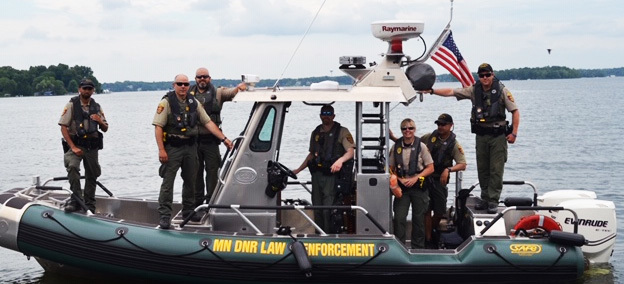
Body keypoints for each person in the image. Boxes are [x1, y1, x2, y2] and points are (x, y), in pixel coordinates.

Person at [425, 63, 520, 213]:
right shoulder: (473, 91)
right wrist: (431, 91)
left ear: (492, 75)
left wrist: (514, 133)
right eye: (481, 75)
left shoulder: (502, 91)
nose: (485, 78)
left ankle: (493, 200)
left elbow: (515, 111)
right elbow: (451, 91)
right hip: (481, 136)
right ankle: (485, 198)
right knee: (482, 168)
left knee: (496, 169)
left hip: (497, 137)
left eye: (487, 75)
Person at [152, 74, 233, 229]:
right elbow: (158, 127)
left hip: (190, 147)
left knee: (191, 181)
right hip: (173, 148)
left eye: (185, 84)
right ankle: (164, 215)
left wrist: (224, 139)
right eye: (179, 84)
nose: (183, 87)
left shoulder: (193, 102)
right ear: (173, 85)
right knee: (168, 182)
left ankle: (189, 210)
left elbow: (208, 122)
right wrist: (161, 150)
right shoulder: (166, 103)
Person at [293, 105, 355, 233]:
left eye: (329, 113)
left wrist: (340, 161)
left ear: (333, 116)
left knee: (328, 207)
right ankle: (319, 234)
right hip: (316, 175)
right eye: (324, 113)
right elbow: (311, 154)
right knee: (317, 205)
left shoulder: (342, 131)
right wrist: (298, 170)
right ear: (320, 115)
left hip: (331, 176)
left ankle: (329, 235)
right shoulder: (315, 132)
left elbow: (351, 151)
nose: (326, 116)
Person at [190, 67, 246, 207]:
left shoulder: (218, 93)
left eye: (205, 76)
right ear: (195, 79)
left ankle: (211, 201)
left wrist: (240, 87)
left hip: (211, 141)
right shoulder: (188, 94)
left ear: (210, 78)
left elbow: (232, 93)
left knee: (213, 171)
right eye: (199, 77)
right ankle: (197, 202)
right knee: (195, 173)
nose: (202, 79)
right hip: (193, 141)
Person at [59, 79, 108, 213]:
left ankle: (89, 204)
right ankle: (76, 199)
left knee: (92, 174)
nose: (87, 91)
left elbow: (105, 128)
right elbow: (63, 127)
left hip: (92, 147)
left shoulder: (96, 107)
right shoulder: (72, 105)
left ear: (93, 90)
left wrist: (100, 121)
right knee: (73, 167)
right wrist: (73, 147)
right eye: (84, 88)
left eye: (89, 89)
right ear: (79, 89)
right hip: (76, 145)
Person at [421, 113, 466, 247]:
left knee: (440, 210)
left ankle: (432, 230)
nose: (440, 127)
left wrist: (448, 170)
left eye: (443, 124)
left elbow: (462, 164)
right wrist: (394, 138)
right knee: (426, 210)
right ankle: (428, 239)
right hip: (425, 178)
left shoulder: (454, 145)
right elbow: (414, 143)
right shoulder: (429, 137)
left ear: (451, 126)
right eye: (438, 124)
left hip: (439, 180)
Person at [389, 118, 434, 249]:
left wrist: (416, 178)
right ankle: (399, 246)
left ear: (414, 130)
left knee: (419, 219)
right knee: (399, 217)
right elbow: (391, 167)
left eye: (410, 128)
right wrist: (399, 179)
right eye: (404, 128)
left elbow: (430, 167)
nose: (407, 131)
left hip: (418, 187)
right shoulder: (395, 146)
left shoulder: (421, 146)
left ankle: (418, 247)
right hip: (402, 187)